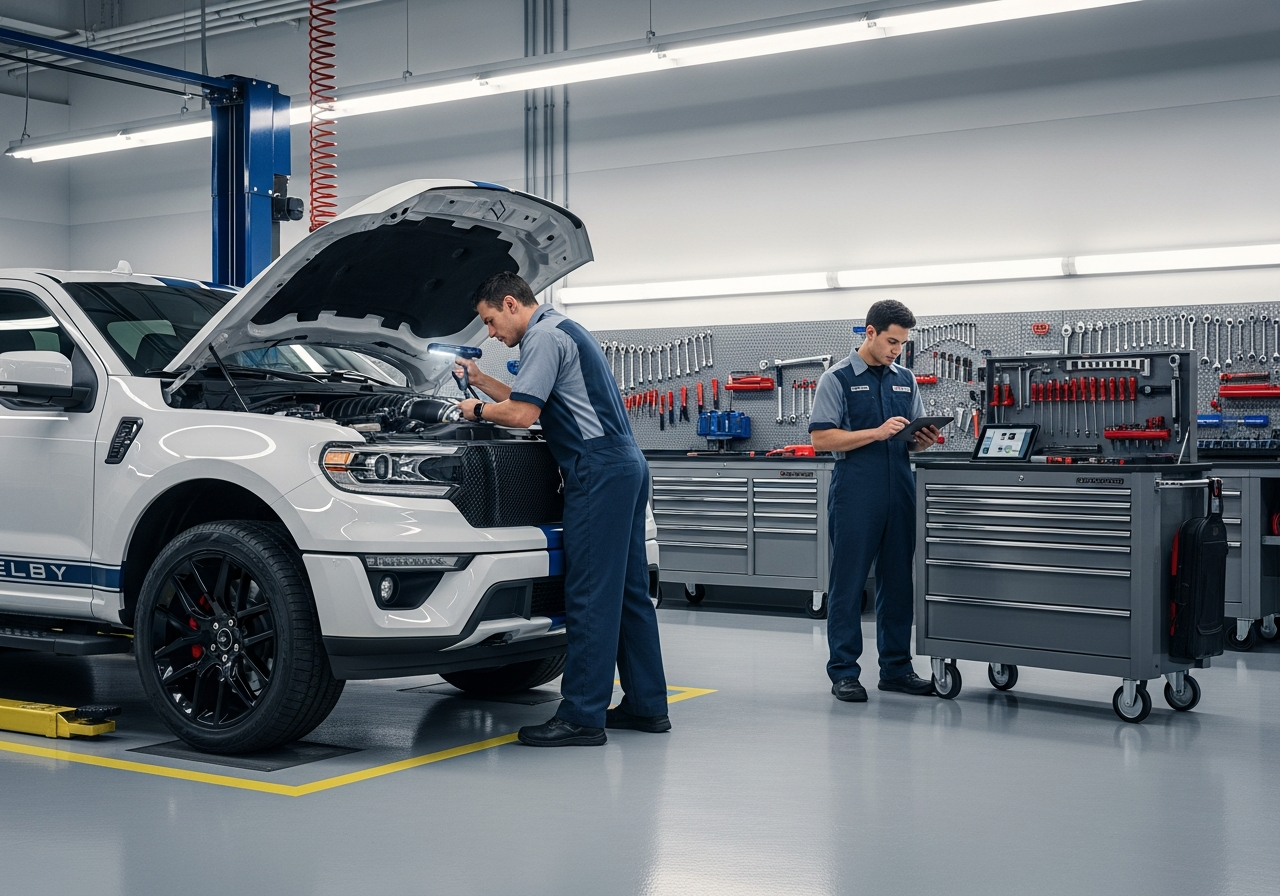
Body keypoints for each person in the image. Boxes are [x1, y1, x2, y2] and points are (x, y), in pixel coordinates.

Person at [454, 271, 669, 746]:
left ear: (510, 304)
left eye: (490, 322)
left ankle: (581, 716)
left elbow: (522, 415)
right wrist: (482, 382)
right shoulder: (565, 329)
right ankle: (647, 706)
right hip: (625, 465)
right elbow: (532, 398)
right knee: (629, 593)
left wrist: (470, 410)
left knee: (590, 593)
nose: (491, 334)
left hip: (596, 472)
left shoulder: (542, 339)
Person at [808, 299, 940, 703]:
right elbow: (821, 439)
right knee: (847, 584)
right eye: (891, 342)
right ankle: (845, 672)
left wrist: (924, 441)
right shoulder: (837, 378)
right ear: (870, 332)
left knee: (899, 583)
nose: (896, 350)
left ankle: (896, 669)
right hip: (855, 491)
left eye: (902, 344)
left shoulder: (905, 379)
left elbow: (911, 440)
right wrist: (876, 432)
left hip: (899, 488)